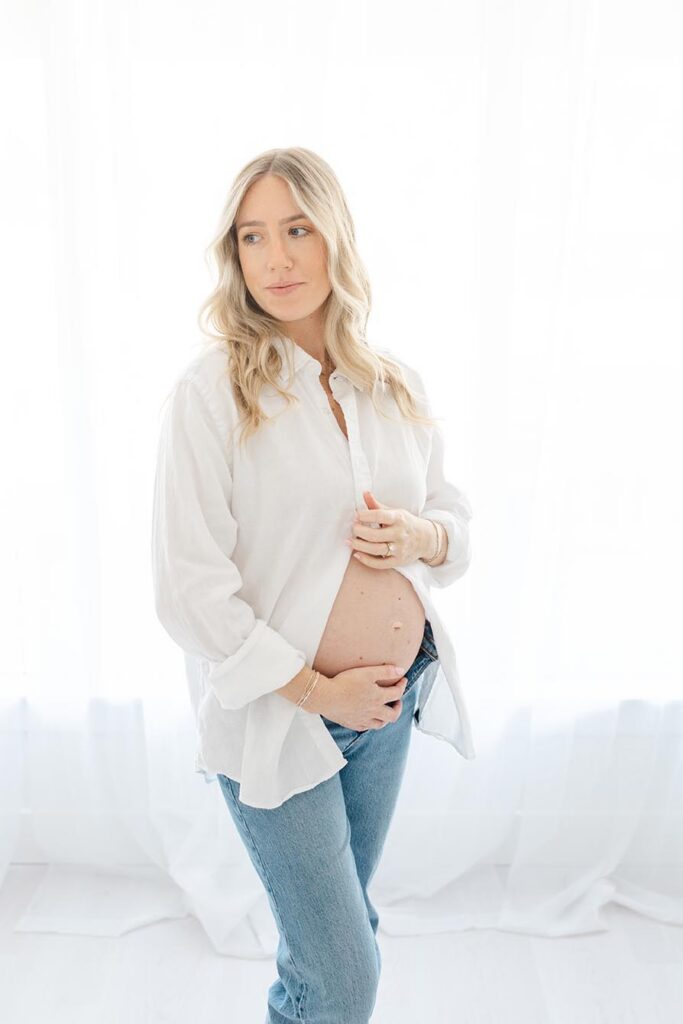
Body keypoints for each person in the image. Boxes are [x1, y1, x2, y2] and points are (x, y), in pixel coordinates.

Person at [151, 147, 475, 1024]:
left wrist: (420, 533)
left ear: (336, 236)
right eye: (253, 237)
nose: (277, 259)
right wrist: (313, 685)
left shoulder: (391, 384)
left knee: (341, 938)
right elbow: (187, 590)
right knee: (341, 974)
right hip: (279, 715)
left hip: (388, 708)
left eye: (297, 229)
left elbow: (456, 532)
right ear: (234, 255)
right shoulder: (210, 392)